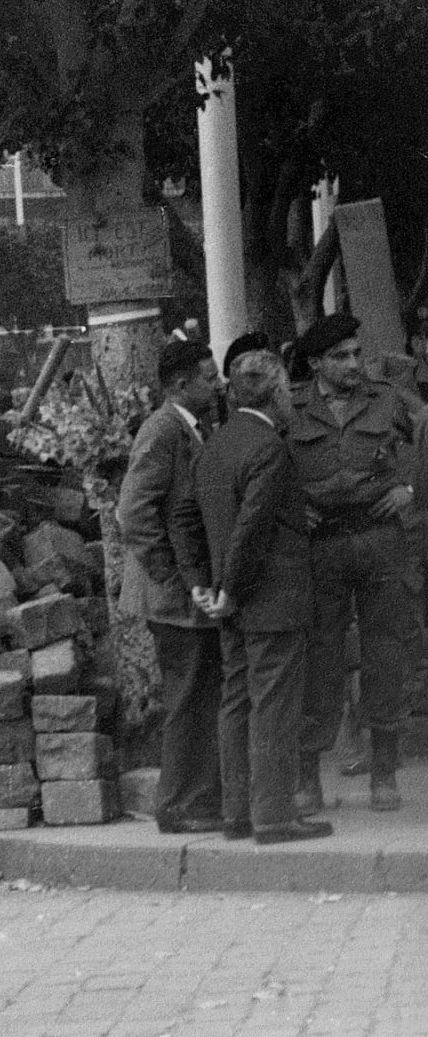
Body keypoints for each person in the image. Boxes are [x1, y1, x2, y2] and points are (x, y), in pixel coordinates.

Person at [171, 348, 331, 844]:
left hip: (229, 602)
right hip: (271, 601)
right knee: (275, 706)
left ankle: (237, 813)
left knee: (236, 703)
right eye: (288, 391)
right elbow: (253, 528)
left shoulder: (213, 445)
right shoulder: (269, 449)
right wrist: (232, 591)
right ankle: (275, 816)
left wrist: (204, 584)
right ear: (278, 393)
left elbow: (183, 517)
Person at [285, 311, 422, 814]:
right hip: (321, 546)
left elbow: (424, 445)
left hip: (380, 541)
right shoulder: (291, 407)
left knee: (387, 649)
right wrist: (288, 506)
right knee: (319, 655)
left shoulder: (388, 399)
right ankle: (307, 776)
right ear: (316, 363)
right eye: (340, 357)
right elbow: (269, 466)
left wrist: (411, 490)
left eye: (356, 354)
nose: (353, 364)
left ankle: (383, 771)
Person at [116, 336, 225, 834]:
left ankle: (196, 799)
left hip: (180, 591)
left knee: (198, 691)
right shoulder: (162, 431)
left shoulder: (189, 428)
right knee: (187, 696)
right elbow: (133, 512)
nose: (218, 383)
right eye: (209, 376)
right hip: (172, 596)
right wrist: (173, 576)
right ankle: (177, 807)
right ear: (180, 385)